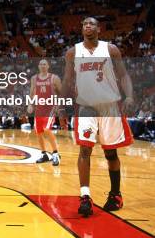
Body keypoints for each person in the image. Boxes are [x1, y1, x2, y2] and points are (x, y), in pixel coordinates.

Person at [62, 17, 134, 217]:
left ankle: (115, 194)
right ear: (81, 29)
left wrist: (129, 96)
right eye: (84, 23)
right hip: (86, 107)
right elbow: (67, 81)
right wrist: (61, 107)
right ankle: (85, 196)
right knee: (85, 150)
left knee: (111, 154)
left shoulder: (110, 50)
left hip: (110, 106)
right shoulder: (73, 52)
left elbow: (124, 75)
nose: (88, 26)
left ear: (99, 29)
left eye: (92, 23)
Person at [27, 59, 61, 166]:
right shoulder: (34, 78)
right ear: (38, 66)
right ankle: (44, 154)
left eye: (44, 64)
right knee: (39, 132)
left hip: (50, 107)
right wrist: (30, 104)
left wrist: (59, 105)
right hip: (39, 108)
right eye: (41, 64)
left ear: (48, 66)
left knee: (47, 129)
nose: (42, 66)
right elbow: (32, 92)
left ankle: (55, 153)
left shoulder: (54, 78)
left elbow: (61, 92)